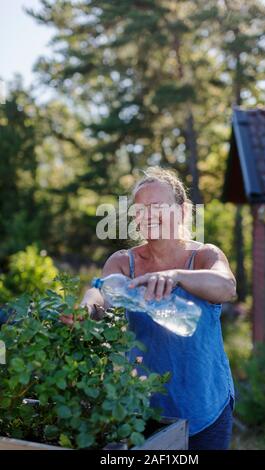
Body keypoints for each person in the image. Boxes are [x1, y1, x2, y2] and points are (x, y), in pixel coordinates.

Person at [79, 167, 236, 450]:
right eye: (140, 209)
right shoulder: (123, 262)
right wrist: (85, 309)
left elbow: (227, 287)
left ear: (182, 210)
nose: (147, 215)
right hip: (144, 407)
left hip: (205, 404)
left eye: (157, 206)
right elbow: (100, 294)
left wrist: (176, 276)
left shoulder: (204, 256)